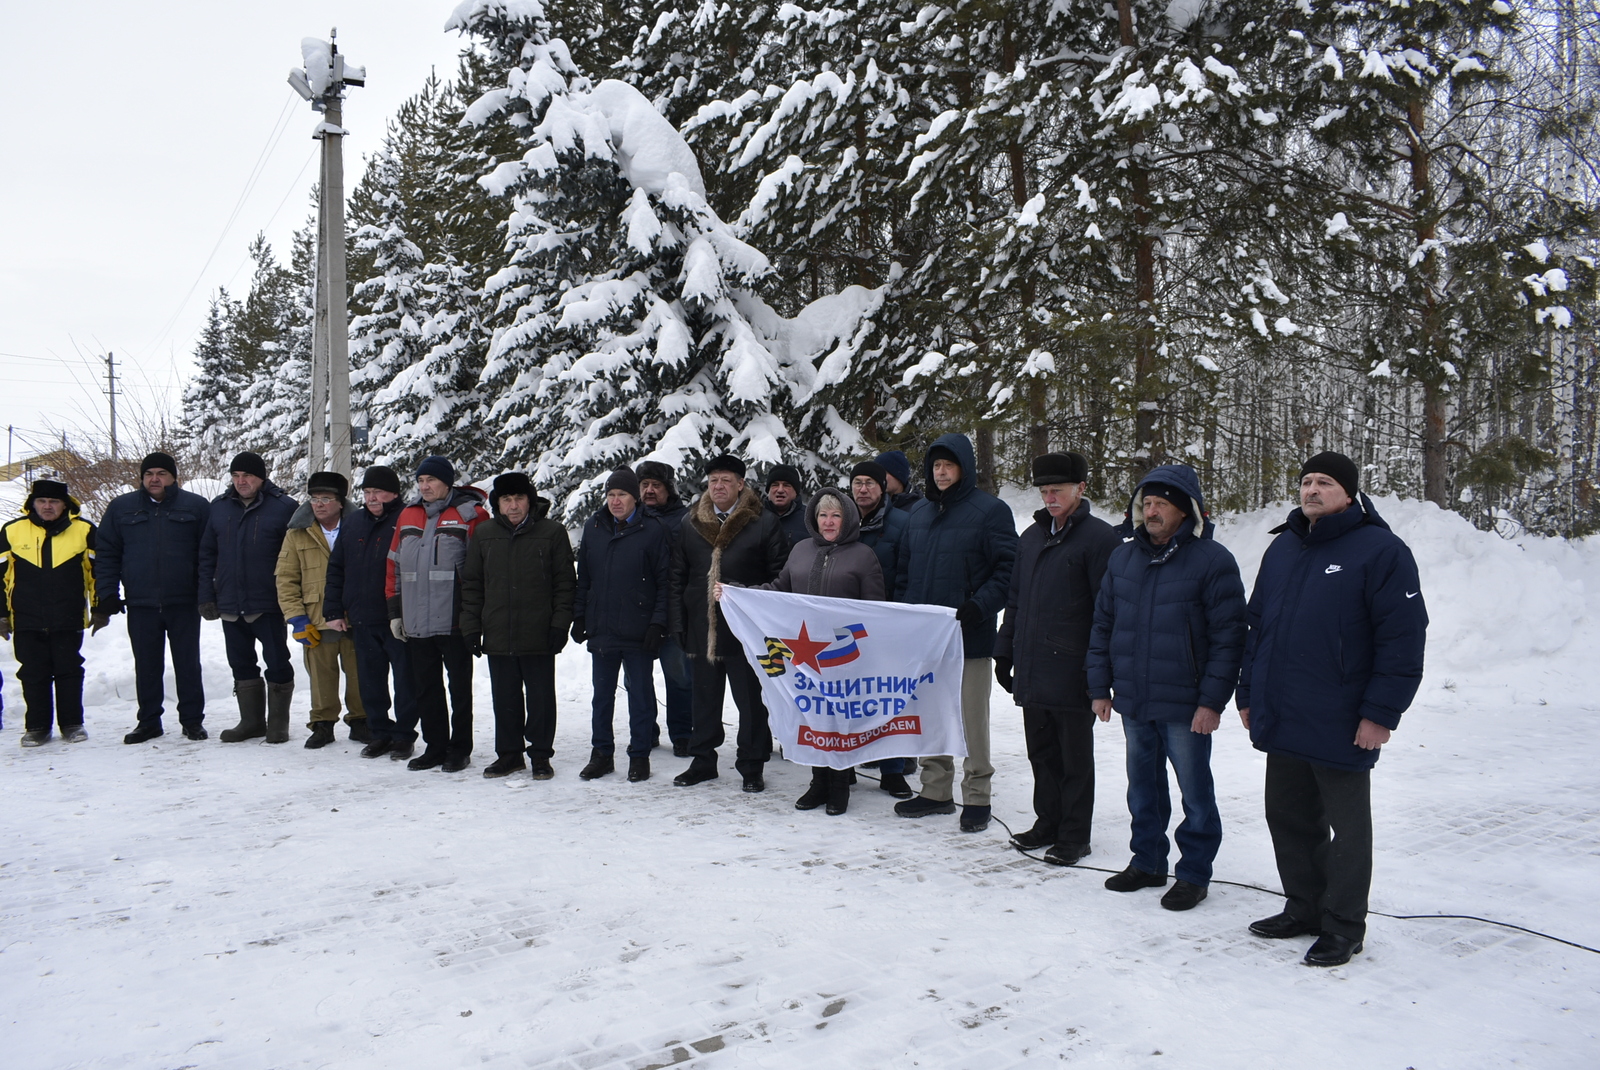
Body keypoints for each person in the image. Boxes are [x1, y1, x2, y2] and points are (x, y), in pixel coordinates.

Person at [1237, 452, 1428, 967]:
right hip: (1283, 711)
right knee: (1287, 816)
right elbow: (1257, 629)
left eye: (1325, 482)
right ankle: (1304, 907)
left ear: (1349, 493)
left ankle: (1344, 924)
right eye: (1306, 481)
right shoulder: (1283, 547)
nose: (1313, 490)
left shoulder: (1381, 550)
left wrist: (1381, 714)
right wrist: (1248, 694)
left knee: (1347, 828)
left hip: (1342, 719)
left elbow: (1403, 639)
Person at [1087, 464, 1247, 911]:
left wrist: (1212, 701)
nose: (1152, 511)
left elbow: (1230, 638)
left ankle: (1194, 874)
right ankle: (1148, 861)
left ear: (1185, 510)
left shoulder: (1213, 561)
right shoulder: (1123, 558)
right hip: (1134, 700)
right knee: (1143, 788)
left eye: (1161, 504)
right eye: (1147, 503)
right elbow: (1102, 625)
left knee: (1195, 793)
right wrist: (1100, 687)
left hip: (1186, 703)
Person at [718, 490, 885, 814]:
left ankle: (839, 785)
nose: (828, 521)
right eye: (823, 515)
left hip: (844, 655)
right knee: (814, 717)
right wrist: (738, 594)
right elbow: (779, 591)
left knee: (840, 720)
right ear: (814, 518)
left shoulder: (863, 556)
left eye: (835, 515)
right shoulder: (800, 551)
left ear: (847, 519)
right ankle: (817, 782)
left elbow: (876, 610)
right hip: (805, 656)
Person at [994, 452, 1121, 866]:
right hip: (1032, 665)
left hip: (1073, 667)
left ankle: (1074, 834)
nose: (1050, 498)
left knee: (1074, 758)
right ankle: (1047, 821)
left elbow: (1108, 611)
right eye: (1044, 491)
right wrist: (1004, 649)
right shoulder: (1030, 537)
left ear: (1080, 489)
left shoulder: (1100, 540)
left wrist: (1099, 672)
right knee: (1041, 752)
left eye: (1058, 490)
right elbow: (1016, 600)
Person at [895, 433, 1018, 832]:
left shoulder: (990, 512)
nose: (942, 472)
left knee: (969, 718)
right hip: (926, 638)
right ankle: (935, 790)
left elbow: (1008, 571)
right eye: (935, 466)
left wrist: (980, 606)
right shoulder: (918, 514)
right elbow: (903, 574)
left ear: (964, 467)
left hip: (970, 634)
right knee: (930, 714)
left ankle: (978, 795)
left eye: (948, 465)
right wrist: (904, 616)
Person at [669, 454, 789, 791]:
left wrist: (748, 599)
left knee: (750, 703)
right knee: (703, 701)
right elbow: (676, 576)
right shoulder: (690, 521)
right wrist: (678, 621)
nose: (719, 486)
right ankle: (703, 760)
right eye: (714, 480)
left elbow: (780, 576)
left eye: (726, 480)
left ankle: (752, 765)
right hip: (701, 627)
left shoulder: (762, 522)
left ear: (740, 484)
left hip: (746, 631)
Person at [460, 472, 575, 779]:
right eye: (506, 500)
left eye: (519, 498)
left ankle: (540, 755)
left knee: (540, 699)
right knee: (505, 699)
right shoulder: (483, 535)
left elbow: (565, 584)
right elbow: (472, 585)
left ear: (530, 500)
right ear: (497, 503)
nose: (513, 506)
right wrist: (470, 628)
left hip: (539, 632)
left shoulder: (552, 532)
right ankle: (509, 755)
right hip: (498, 632)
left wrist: (559, 626)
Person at [95, 452, 212, 744]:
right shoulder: (121, 508)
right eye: (149, 474)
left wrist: (207, 593)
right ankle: (149, 722)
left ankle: (192, 721)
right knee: (146, 664)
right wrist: (107, 594)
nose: (155, 479)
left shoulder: (196, 507)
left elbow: (209, 554)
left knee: (188, 663)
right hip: (141, 602)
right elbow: (107, 554)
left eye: (161, 473)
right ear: (142, 477)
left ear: (173, 477)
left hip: (183, 601)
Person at [387, 456, 489, 773]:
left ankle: (459, 749)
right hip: (417, 621)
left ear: (447, 482)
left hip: (455, 620)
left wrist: (475, 616)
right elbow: (394, 566)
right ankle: (435, 747)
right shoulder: (407, 515)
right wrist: (395, 612)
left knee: (459, 689)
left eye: (430, 480)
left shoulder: (471, 514)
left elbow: (483, 570)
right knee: (426, 689)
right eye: (420, 481)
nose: (425, 486)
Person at [573, 466, 670, 782]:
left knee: (640, 696)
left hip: (638, 629)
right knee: (601, 696)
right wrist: (579, 615)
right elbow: (584, 577)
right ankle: (601, 754)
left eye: (622, 495)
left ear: (635, 497)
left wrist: (657, 624)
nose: (616, 501)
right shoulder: (595, 526)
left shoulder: (652, 530)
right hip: (602, 628)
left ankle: (639, 756)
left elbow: (665, 583)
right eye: (611, 495)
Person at [199, 451, 299, 745]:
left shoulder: (284, 507)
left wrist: (292, 600)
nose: (241, 481)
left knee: (278, 662)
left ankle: (278, 724)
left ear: (261, 478)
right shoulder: (217, 509)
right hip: (230, 603)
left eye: (248, 476)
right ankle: (252, 722)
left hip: (268, 602)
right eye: (236, 476)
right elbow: (206, 555)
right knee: (241, 664)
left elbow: (296, 558)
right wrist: (206, 595)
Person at [1, 480, 109, 745]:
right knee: (32, 672)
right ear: (32, 504)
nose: (47, 506)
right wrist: (1, 615)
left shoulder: (84, 530)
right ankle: (37, 727)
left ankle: (72, 724)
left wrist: (100, 608)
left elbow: (97, 573)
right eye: (42, 501)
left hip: (67, 615)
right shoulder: (12, 530)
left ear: (65, 505)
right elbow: (0, 577)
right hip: (26, 618)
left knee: (69, 670)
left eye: (54, 502)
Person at [324, 465, 416, 759]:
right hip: (361, 617)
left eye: (378, 492)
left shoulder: (407, 519)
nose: (372, 497)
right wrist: (334, 609)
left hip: (397, 617)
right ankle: (379, 733)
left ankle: (403, 735)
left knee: (405, 682)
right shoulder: (354, 523)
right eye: (367, 492)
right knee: (370, 682)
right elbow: (336, 568)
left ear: (394, 493)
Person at [276, 471, 367, 749]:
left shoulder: (361, 527)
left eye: (326, 498)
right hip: (316, 619)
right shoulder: (296, 533)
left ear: (341, 502)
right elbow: (285, 578)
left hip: (355, 617)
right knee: (320, 677)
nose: (319, 504)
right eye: (314, 498)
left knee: (360, 673)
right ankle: (322, 725)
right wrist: (297, 618)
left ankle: (361, 720)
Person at [848, 460, 915, 799]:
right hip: (844, 628)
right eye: (857, 482)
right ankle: (844, 766)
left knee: (887, 697)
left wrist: (899, 617)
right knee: (846, 697)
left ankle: (893, 770)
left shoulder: (903, 523)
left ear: (882, 487)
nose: (863, 489)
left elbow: (907, 572)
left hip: (887, 624)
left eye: (870, 483)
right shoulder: (838, 520)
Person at [638, 460, 693, 755]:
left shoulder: (685, 520)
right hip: (637, 611)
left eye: (655, 485)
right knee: (637, 677)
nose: (649, 491)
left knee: (680, 675)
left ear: (668, 489)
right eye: (644, 485)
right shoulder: (631, 518)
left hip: (674, 610)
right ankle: (646, 730)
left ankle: (683, 733)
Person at [764, 464, 809, 550]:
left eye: (786, 485)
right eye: (775, 485)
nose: (780, 490)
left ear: (796, 491)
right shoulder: (755, 517)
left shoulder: (809, 519)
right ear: (768, 490)